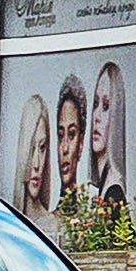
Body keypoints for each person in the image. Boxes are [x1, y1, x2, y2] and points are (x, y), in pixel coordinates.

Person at [13, 95, 58, 239]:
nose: (37, 164)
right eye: (31, 149)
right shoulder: (9, 219)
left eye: (42, 148)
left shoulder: (53, 225)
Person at [90, 60, 128, 205]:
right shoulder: (103, 182)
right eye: (95, 104)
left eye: (106, 106)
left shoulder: (114, 193)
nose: (97, 117)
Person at [55, 75, 88, 207]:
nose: (65, 149)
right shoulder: (47, 220)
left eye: (72, 134)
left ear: (81, 143)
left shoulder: (90, 220)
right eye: (60, 135)